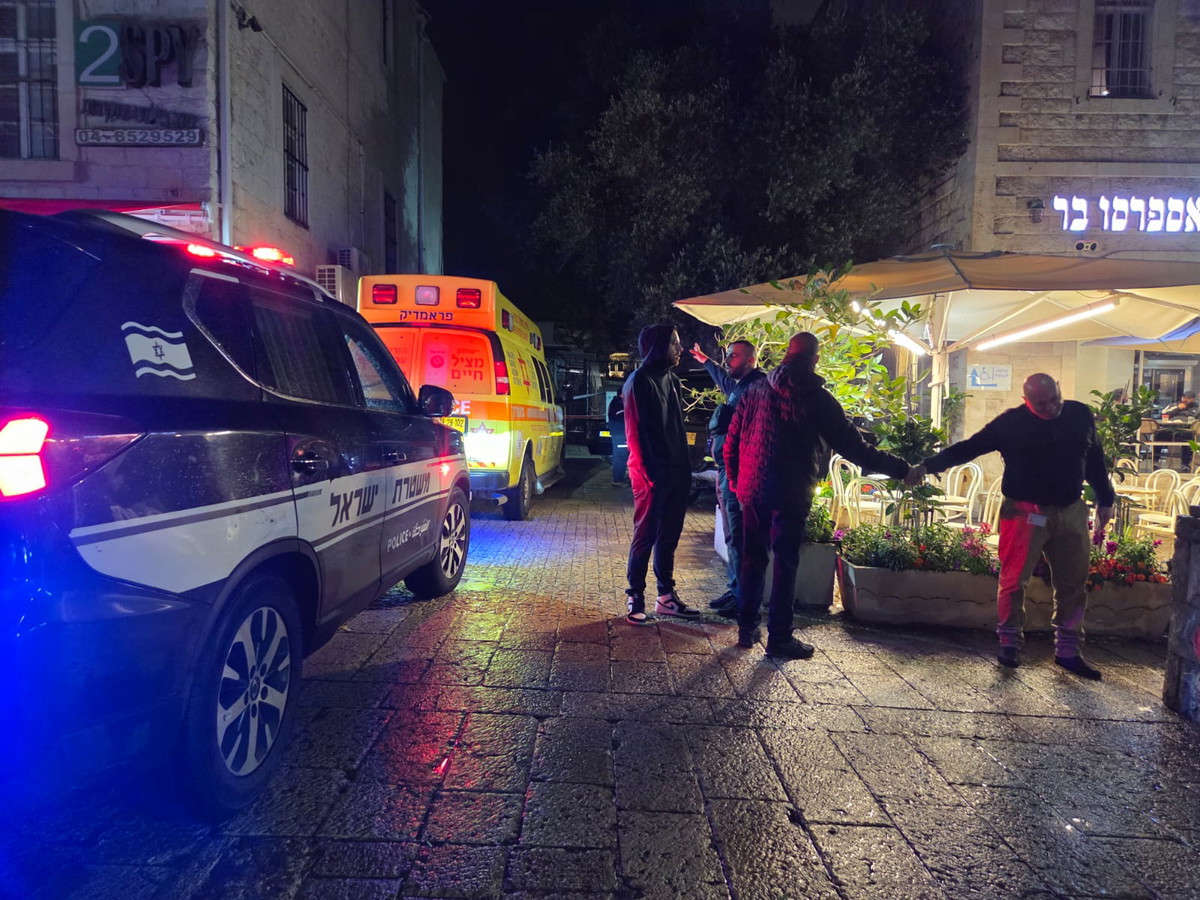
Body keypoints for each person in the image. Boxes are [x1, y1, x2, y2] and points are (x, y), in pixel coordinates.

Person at [908, 373, 1115, 679]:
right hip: (1023, 511)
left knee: (1074, 583)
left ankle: (1068, 650)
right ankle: (1009, 643)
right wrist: (927, 466)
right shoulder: (1011, 422)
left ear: (1060, 389)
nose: (1050, 407)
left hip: (1070, 509)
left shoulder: (1079, 414)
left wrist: (1106, 498)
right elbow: (969, 447)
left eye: (1054, 399)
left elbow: (1095, 458)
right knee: (1014, 580)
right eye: (1041, 404)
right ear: (1025, 401)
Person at [725, 332, 910, 659]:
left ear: (786, 354)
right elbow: (856, 449)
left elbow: (731, 442)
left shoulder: (754, 390)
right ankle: (779, 638)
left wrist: (737, 484)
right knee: (785, 563)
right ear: (816, 359)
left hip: (753, 490)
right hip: (791, 493)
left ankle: (746, 629)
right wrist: (903, 469)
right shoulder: (819, 399)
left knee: (752, 559)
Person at [622, 324, 701, 625]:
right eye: (674, 343)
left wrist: (685, 470)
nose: (680, 349)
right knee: (645, 534)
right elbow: (635, 433)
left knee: (669, 536)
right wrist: (649, 475)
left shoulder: (672, 380)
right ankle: (635, 597)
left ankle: (666, 597)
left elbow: (677, 428)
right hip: (650, 474)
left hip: (676, 471)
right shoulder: (639, 381)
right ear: (657, 347)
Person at [688, 339, 765, 616]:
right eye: (728, 354)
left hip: (740, 474)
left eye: (735, 356)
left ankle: (745, 600)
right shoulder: (739, 386)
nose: (729, 359)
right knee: (733, 536)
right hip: (727, 472)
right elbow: (723, 378)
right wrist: (706, 361)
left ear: (751, 360)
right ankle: (736, 590)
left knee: (740, 537)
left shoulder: (758, 388)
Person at [607, 391, 628, 485]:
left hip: (619, 434)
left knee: (621, 456)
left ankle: (619, 478)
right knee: (621, 456)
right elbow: (622, 418)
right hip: (620, 434)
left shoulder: (616, 402)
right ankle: (618, 479)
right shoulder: (619, 404)